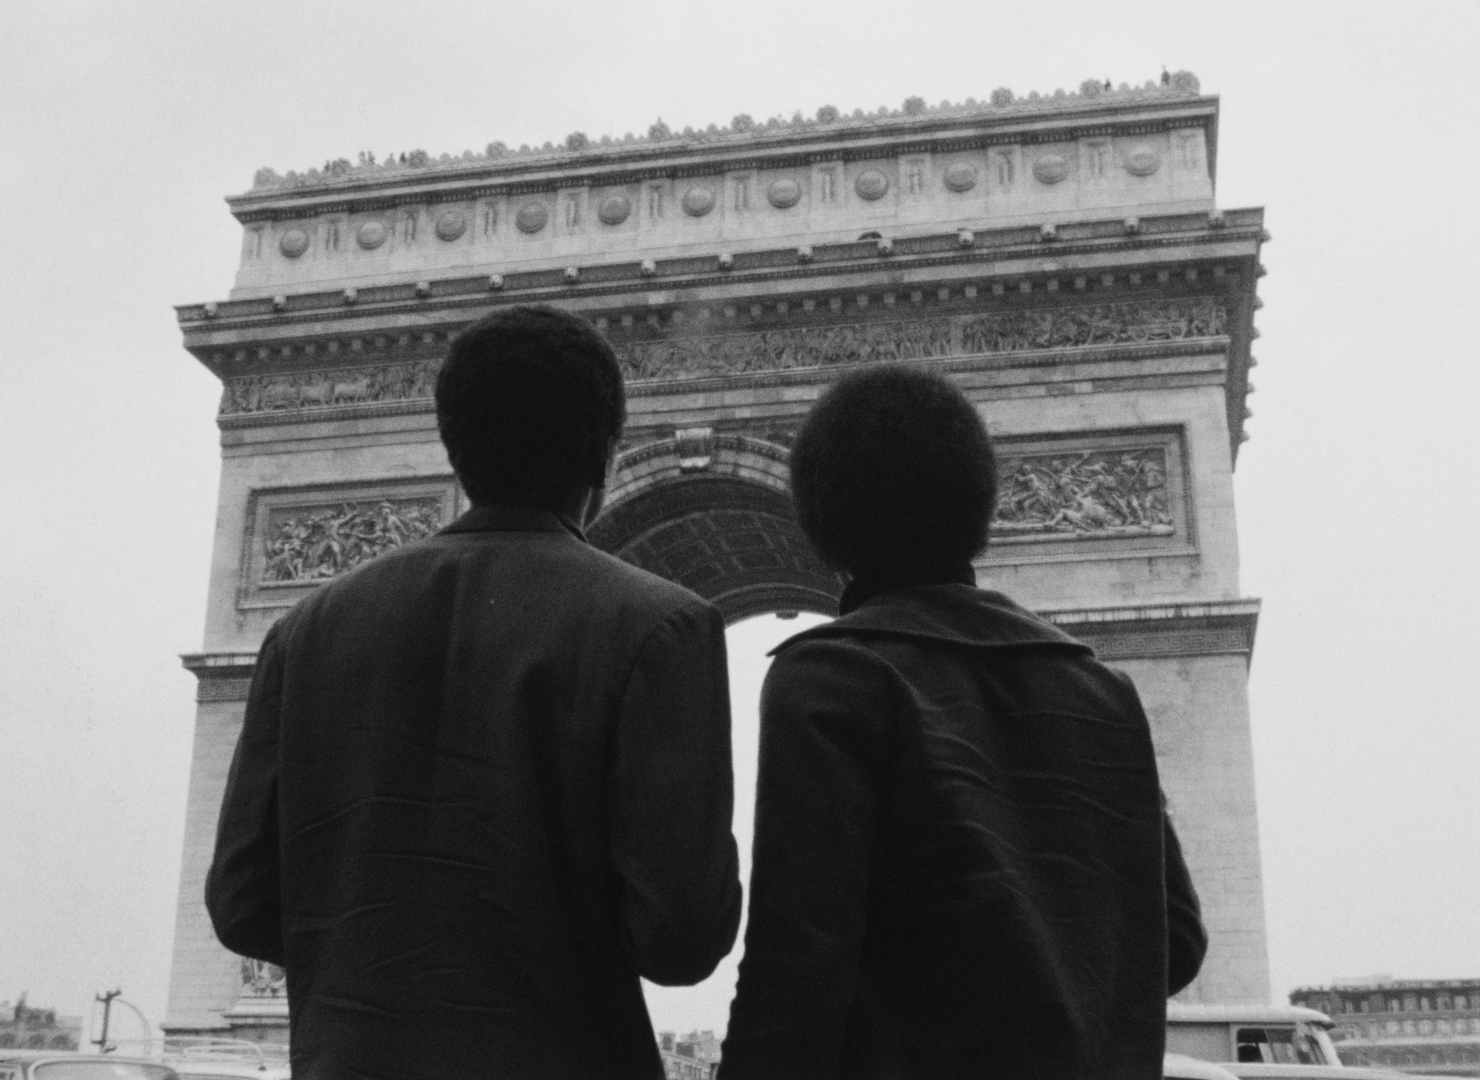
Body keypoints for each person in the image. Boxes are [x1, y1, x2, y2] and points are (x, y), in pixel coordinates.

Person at [207, 305, 743, 1080]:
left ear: (451, 450)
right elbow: (681, 937)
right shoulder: (663, 628)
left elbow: (242, 903)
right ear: (605, 457)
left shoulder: (303, 631)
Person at [720, 365, 1206, 1080]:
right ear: (983, 503)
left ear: (822, 521)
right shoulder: (1105, 689)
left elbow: (797, 974)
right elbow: (1178, 942)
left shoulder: (830, 680)